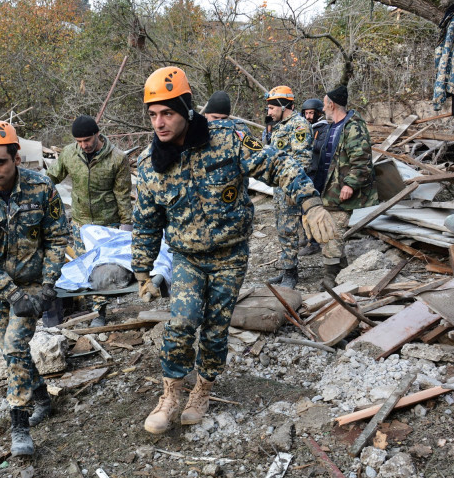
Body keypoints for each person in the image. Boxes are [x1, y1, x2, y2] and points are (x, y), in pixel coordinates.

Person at [132, 66, 337, 434]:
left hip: (229, 256)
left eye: (167, 113)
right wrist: (142, 269)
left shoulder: (228, 140)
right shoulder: (151, 164)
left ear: (186, 108)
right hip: (187, 258)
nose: (159, 123)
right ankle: (171, 394)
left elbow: (276, 163)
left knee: (214, 327)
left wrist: (310, 202)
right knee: (180, 323)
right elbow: (146, 220)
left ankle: (203, 389)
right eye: (152, 115)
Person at [0, 121, 69, 456]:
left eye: (0, 162)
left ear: (16, 158)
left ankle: (19, 427)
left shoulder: (41, 188)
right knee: (10, 352)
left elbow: (57, 236)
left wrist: (48, 283)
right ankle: (42, 399)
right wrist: (11, 294)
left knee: (16, 347)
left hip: (33, 284)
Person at [47, 115, 132, 327]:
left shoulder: (117, 159)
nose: (84, 145)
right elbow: (51, 177)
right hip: (80, 223)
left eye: (87, 140)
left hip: (107, 224)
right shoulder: (69, 154)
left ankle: (99, 313)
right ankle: (93, 311)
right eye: (79, 141)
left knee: (101, 269)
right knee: (85, 267)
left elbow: (123, 194)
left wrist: (126, 224)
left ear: (97, 134)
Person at [318, 85, 379, 289]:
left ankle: (330, 277)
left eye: (325, 103)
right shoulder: (333, 127)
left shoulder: (353, 127)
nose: (323, 106)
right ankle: (342, 269)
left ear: (332, 104)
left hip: (341, 190)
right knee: (328, 231)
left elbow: (362, 160)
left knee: (332, 231)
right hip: (328, 189)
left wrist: (350, 185)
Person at [265, 86, 313, 288]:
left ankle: (291, 275)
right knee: (283, 229)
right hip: (279, 187)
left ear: (283, 106)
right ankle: (286, 268)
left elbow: (302, 160)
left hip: (290, 186)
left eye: (271, 108)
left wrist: (291, 187)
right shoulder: (280, 126)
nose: (269, 113)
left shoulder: (299, 125)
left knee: (290, 230)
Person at [298, 98, 331, 257]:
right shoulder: (304, 126)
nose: (308, 116)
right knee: (302, 208)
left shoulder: (324, 127)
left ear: (318, 113)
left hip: (316, 173)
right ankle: (307, 236)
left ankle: (314, 243)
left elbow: (321, 147)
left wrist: (307, 139)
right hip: (305, 172)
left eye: (311, 113)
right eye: (306, 113)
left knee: (311, 208)